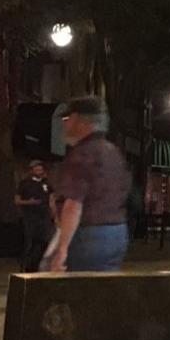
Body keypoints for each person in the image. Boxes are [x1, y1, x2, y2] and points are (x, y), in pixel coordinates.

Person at [49, 96, 132, 273]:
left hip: (89, 234)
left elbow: (73, 205)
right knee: (103, 288)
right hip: (117, 231)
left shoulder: (82, 155)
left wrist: (62, 248)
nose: (64, 125)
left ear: (81, 121)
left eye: (67, 119)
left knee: (80, 291)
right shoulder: (113, 152)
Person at [13, 158, 54, 273]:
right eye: (37, 169)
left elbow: (51, 199)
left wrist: (53, 213)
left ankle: (38, 265)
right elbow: (17, 201)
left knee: (44, 242)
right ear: (31, 170)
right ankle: (26, 267)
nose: (39, 171)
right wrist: (29, 202)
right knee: (30, 242)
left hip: (44, 218)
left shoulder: (46, 183)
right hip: (30, 218)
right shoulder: (25, 184)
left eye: (41, 169)